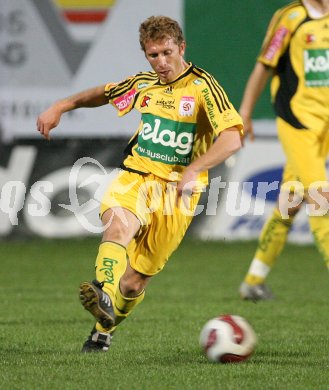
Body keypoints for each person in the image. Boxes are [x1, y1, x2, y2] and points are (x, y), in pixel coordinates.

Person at [37, 15, 243, 352]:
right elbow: (104, 93)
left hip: (176, 194)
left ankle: (104, 326)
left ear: (182, 47)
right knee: (117, 225)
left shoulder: (204, 86)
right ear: (145, 55)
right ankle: (102, 288)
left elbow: (232, 139)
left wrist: (195, 169)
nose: (161, 62)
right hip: (136, 176)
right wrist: (63, 105)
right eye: (153, 55)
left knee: (133, 283)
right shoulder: (144, 84)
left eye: (166, 52)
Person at [238, 0, 329, 301]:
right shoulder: (291, 17)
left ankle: (254, 280)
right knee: (321, 198)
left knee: (291, 201)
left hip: (325, 126)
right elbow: (264, 65)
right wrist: (246, 112)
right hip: (297, 121)